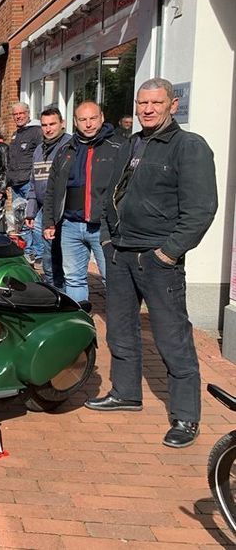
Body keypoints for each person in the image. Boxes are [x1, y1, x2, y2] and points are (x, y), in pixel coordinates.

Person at [88, 78, 218, 449]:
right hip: (121, 255)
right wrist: (108, 240)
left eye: (155, 102)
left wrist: (168, 252)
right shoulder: (133, 144)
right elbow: (111, 194)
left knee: (172, 338)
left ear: (172, 105)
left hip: (158, 260)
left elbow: (201, 210)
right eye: (142, 103)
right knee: (120, 331)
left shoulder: (188, 147)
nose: (147, 109)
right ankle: (125, 392)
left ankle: (185, 417)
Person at [42, 101, 121, 304]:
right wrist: (49, 221)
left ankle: (120, 330)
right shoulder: (66, 150)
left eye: (93, 118)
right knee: (73, 279)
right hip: (70, 225)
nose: (88, 124)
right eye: (83, 120)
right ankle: (81, 323)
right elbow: (53, 188)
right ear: (75, 122)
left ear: (102, 118)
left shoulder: (118, 147)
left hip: (103, 227)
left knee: (112, 279)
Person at [24, 107, 71, 288]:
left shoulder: (70, 146)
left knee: (64, 259)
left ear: (62, 124)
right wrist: (31, 210)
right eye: (44, 125)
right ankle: (55, 291)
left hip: (66, 212)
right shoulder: (38, 150)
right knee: (48, 258)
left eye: (52, 124)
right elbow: (34, 182)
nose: (48, 129)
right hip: (45, 212)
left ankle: (67, 294)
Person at [6, 102, 42, 262]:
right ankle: (27, 251)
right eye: (15, 114)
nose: (18, 116)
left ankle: (39, 252)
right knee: (20, 219)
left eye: (21, 113)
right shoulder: (16, 134)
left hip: (29, 181)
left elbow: (41, 155)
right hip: (16, 183)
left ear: (28, 113)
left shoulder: (36, 131)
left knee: (32, 217)